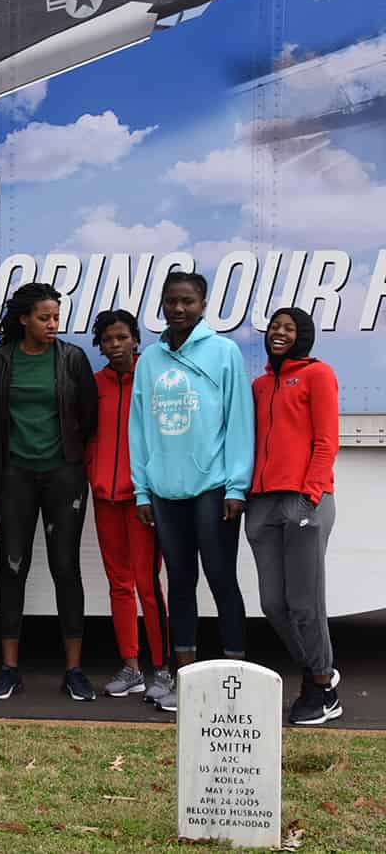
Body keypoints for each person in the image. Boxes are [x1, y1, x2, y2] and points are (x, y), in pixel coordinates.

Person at [129, 272, 254, 713]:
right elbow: (139, 430)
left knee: (221, 579)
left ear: (203, 305)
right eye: (171, 301)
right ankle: (185, 681)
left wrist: (237, 485)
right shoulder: (150, 361)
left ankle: (235, 685)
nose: (178, 309)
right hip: (164, 490)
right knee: (179, 583)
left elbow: (240, 421)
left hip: (214, 487)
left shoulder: (224, 352)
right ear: (162, 304)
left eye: (187, 301)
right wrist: (142, 491)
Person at [0, 282, 99, 702]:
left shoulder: (72, 359)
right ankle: (9, 670)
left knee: (66, 568)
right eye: (44, 317)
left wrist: (65, 457)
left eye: (56, 317)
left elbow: (88, 417)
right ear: (24, 320)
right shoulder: (0, 361)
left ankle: (75, 670)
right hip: (14, 476)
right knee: (13, 568)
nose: (53, 325)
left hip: (63, 475)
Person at [246, 308, 341, 725]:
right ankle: (320, 672)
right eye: (274, 327)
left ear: (304, 335)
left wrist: (311, 494)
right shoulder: (261, 384)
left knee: (305, 604)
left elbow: (326, 441)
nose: (279, 334)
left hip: (304, 499)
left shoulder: (318, 375)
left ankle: (320, 687)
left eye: (289, 328)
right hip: (263, 502)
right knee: (273, 604)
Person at [84, 310, 170, 701]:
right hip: (105, 497)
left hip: (144, 501)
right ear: (100, 345)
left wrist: (149, 488)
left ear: (136, 340)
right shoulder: (95, 383)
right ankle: (131, 666)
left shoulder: (152, 379)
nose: (115, 345)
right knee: (119, 585)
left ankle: (164, 669)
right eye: (107, 339)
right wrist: (93, 474)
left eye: (122, 338)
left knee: (147, 586)